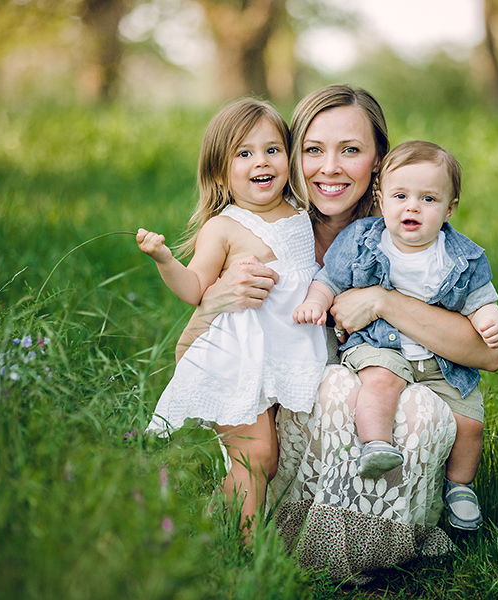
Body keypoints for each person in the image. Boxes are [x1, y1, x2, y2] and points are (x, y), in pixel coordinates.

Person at [174, 85, 498, 581]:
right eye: (313, 150)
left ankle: (382, 553)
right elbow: (186, 356)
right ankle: (290, 544)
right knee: (334, 389)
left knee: (416, 407)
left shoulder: (408, 231)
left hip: (386, 419)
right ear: (292, 156)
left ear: (378, 161)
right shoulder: (269, 233)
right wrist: (218, 299)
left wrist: (383, 300)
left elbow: (488, 355)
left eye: (350, 150)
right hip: (291, 436)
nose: (329, 167)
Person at [138, 98, 327, 537]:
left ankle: (215, 524)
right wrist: (165, 259)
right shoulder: (224, 227)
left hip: (285, 356)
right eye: (244, 153)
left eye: (272, 149)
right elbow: (195, 289)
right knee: (256, 456)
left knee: (274, 459)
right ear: (221, 172)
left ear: (290, 157)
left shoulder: (303, 216)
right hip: (237, 361)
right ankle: (243, 552)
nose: (260, 161)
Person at [293, 140, 498, 531]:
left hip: (440, 364)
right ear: (382, 198)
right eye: (401, 196)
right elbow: (329, 278)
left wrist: (491, 317)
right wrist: (315, 301)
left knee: (471, 422)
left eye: (428, 199)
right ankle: (377, 444)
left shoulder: (462, 255)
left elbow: (482, 299)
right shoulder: (364, 240)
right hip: (380, 346)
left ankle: (459, 487)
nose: (413, 207)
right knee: (381, 380)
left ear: (449, 208)